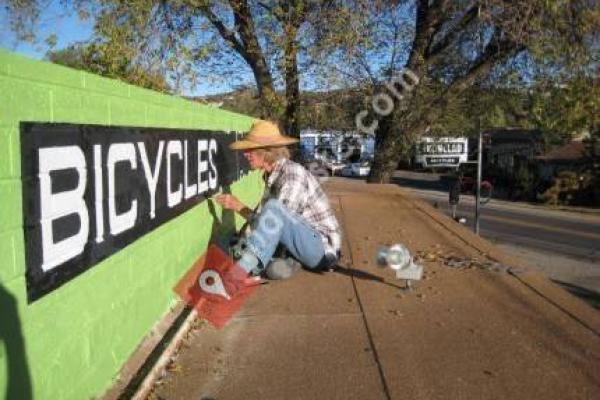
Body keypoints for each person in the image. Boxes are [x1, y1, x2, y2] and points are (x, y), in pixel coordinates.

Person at [215, 120, 341, 284]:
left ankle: (238, 275)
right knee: (273, 270)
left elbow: (274, 224)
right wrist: (238, 207)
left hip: (321, 250)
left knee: (272, 210)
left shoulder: (291, 176)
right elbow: (270, 228)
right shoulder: (273, 175)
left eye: (249, 149)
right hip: (300, 243)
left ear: (266, 152)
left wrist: (240, 208)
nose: (245, 154)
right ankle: (286, 262)